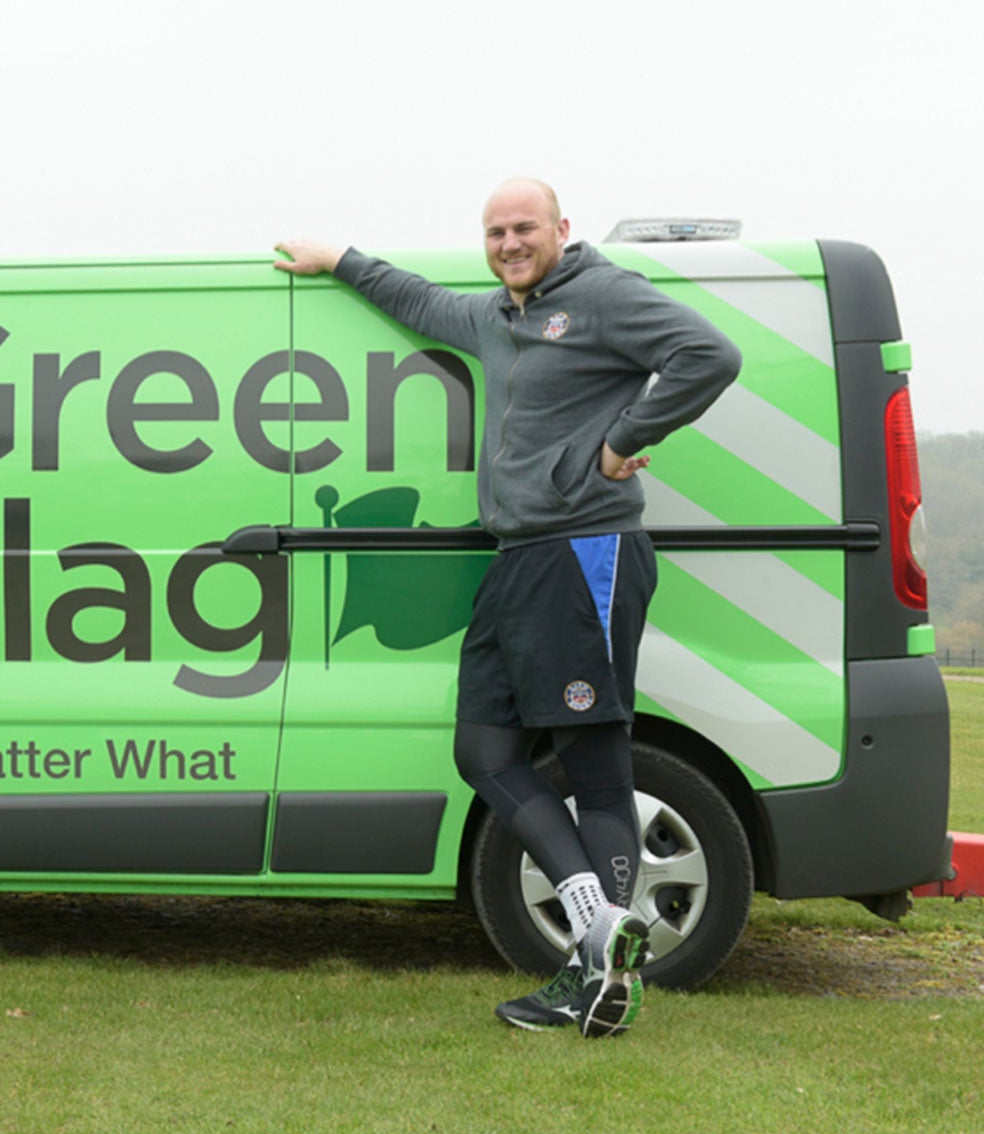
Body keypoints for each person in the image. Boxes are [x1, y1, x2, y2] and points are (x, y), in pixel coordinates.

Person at [276, 179, 741, 1036]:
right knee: (485, 750)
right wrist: (339, 259)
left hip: (586, 551)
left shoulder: (603, 294)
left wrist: (619, 444)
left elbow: (709, 357)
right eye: (495, 231)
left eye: (524, 227)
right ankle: (601, 929)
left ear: (563, 228)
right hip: (520, 557)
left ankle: (592, 975)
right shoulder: (499, 316)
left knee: (596, 764)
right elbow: (419, 301)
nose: (509, 242)